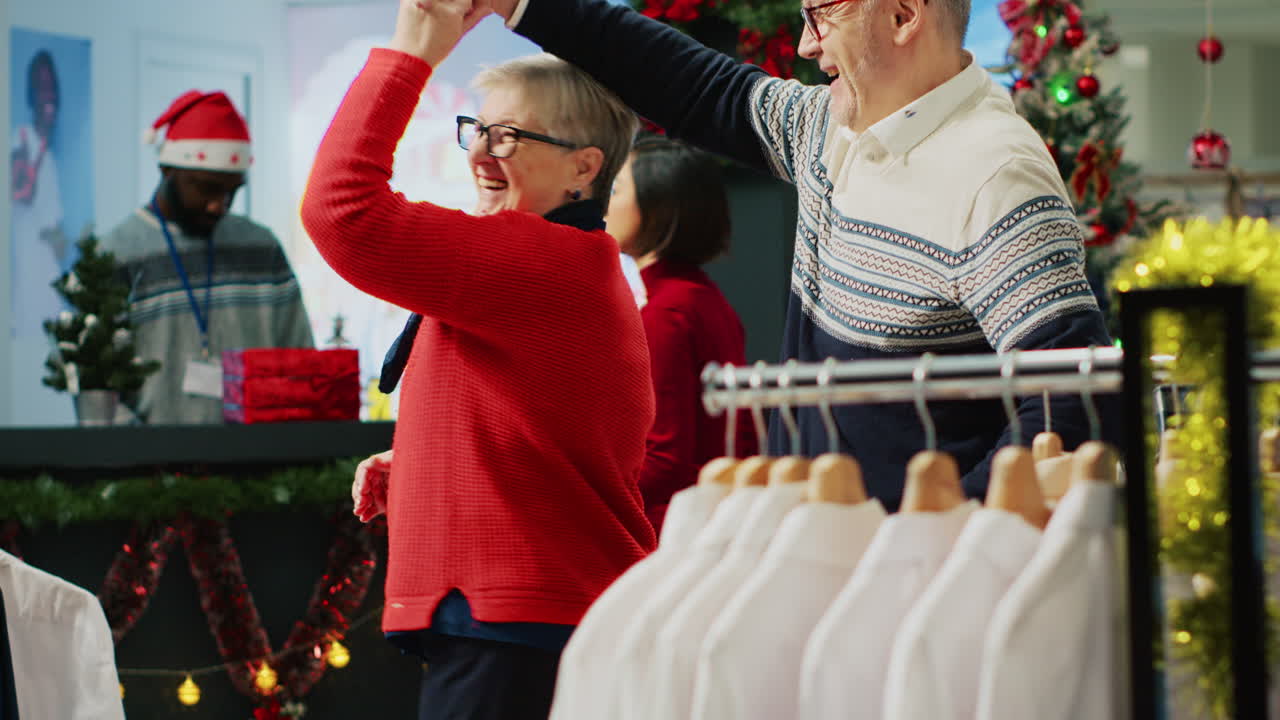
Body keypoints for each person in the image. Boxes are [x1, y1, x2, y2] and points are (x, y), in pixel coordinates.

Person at [489, 0, 1117, 509]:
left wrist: (934, 538)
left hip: (922, 591)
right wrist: (525, 5)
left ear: (903, 16)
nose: (806, 45)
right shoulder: (830, 128)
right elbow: (693, 86)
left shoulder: (995, 174)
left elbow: (1072, 399)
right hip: (833, 557)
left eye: (821, 15)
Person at [300, 0, 656, 716]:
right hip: (528, 619)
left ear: (583, 169)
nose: (478, 153)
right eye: (478, 130)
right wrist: (426, 463)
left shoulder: (543, 260)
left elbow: (342, 211)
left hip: (512, 628)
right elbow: (556, 433)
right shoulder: (568, 265)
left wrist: (414, 50)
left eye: (508, 137)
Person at [100, 91, 313, 424]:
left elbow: (300, 358)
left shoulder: (262, 248)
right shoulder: (117, 254)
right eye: (207, 188)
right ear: (167, 169)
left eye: (232, 191)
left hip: (266, 464)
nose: (220, 204)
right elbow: (96, 383)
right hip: (150, 468)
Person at [607, 135, 756, 533]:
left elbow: (664, 458)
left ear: (657, 206)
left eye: (617, 189)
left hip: (671, 531)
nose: (606, 203)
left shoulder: (666, 310)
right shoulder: (700, 296)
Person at [11, 49, 68, 337]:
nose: (49, 95)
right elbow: (21, 192)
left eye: (52, 87)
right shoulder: (19, 139)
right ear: (31, 94)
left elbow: (58, 234)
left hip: (49, 272)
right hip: (26, 269)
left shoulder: (54, 160)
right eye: (41, 87)